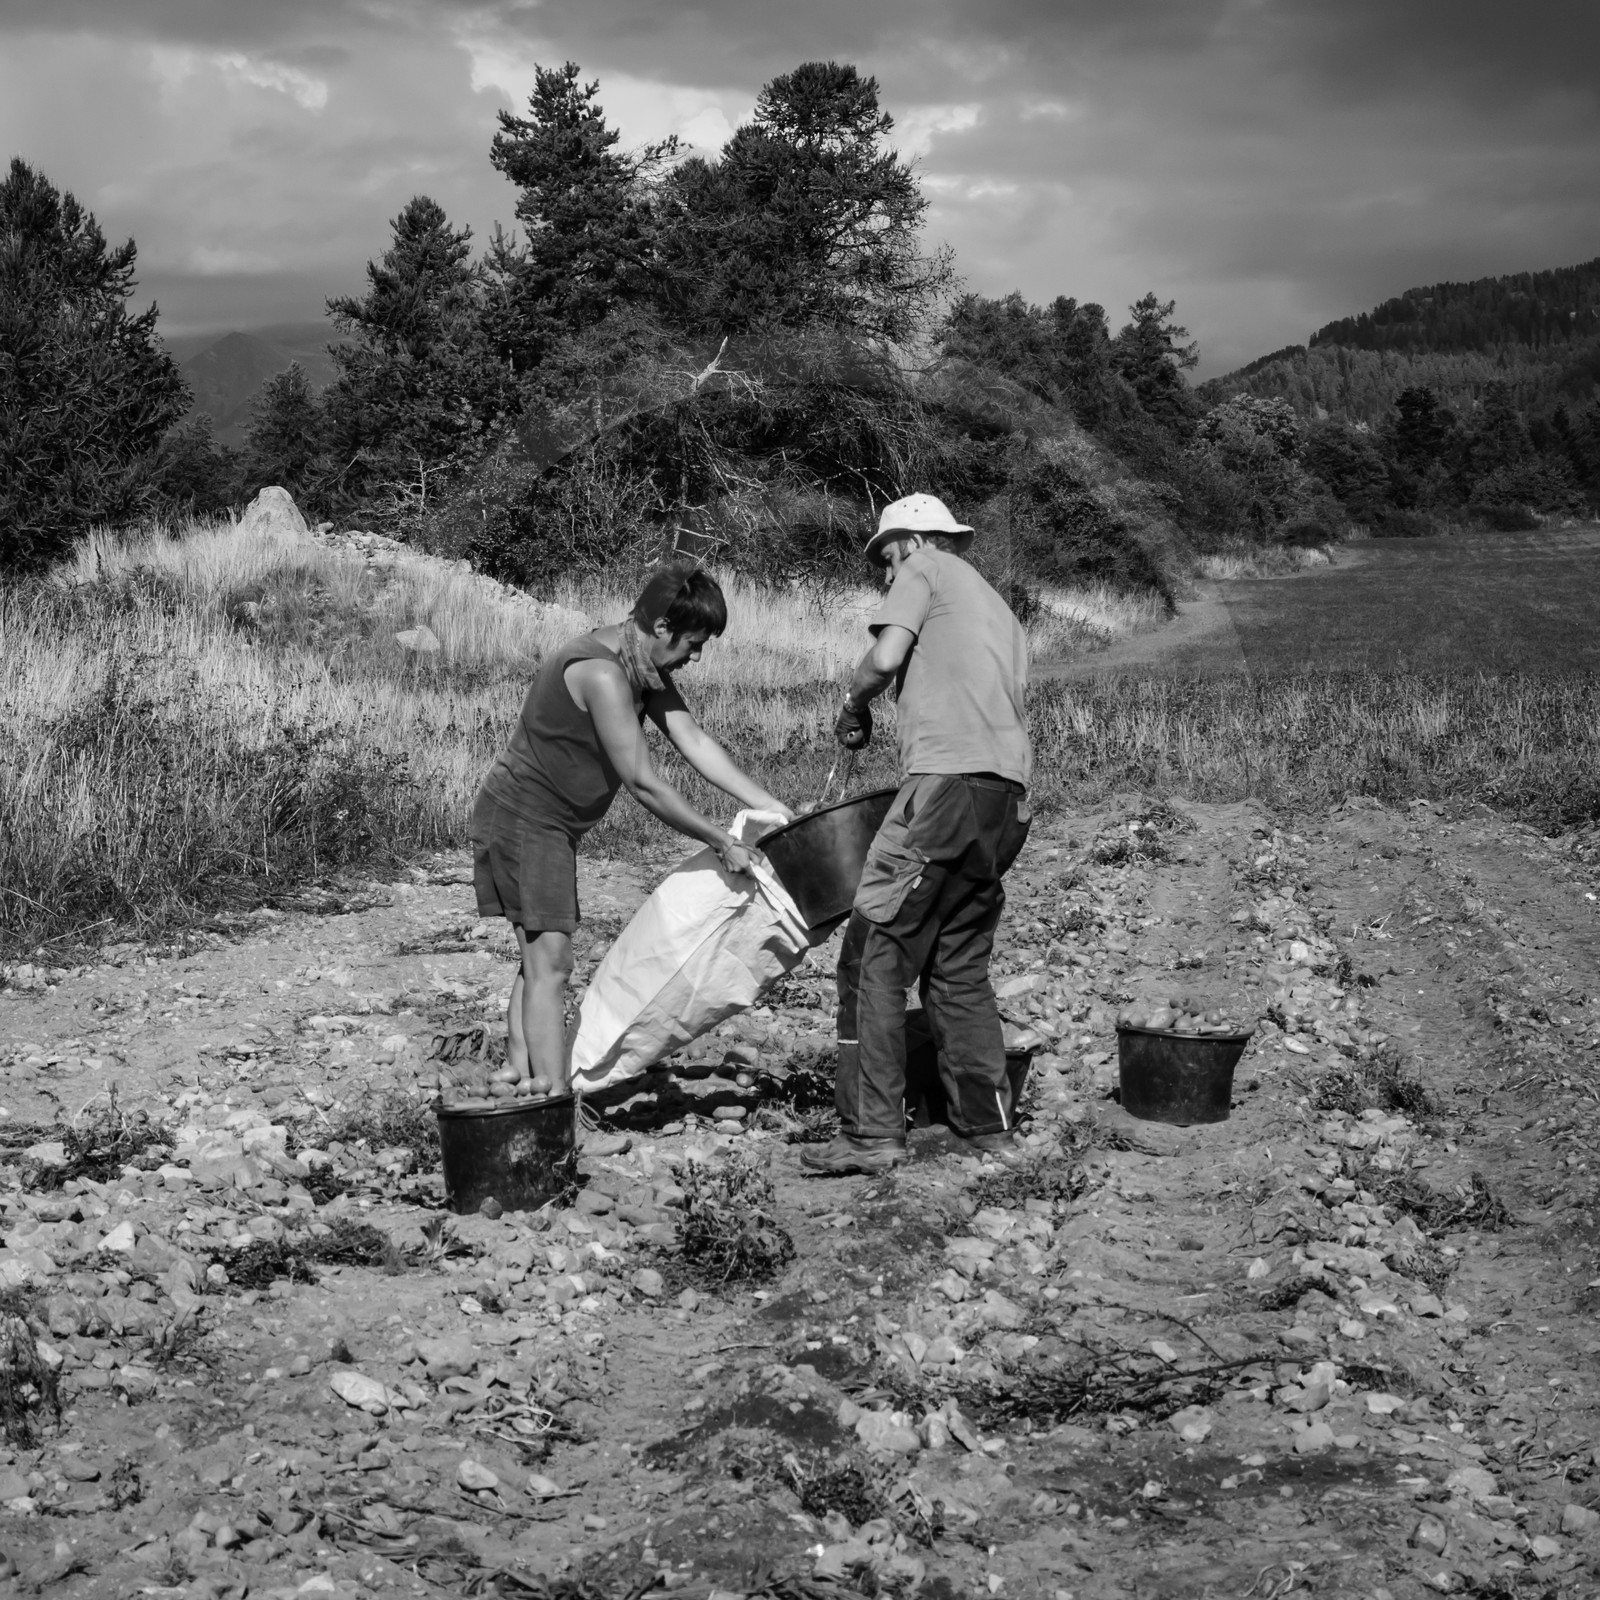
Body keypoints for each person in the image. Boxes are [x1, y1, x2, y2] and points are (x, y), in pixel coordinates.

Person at [470, 563, 794, 1098]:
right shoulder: (601, 674)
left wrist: (771, 805)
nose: (696, 657)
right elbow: (643, 782)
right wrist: (721, 840)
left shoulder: (641, 668)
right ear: (661, 626)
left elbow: (693, 740)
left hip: (549, 825)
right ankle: (551, 1096)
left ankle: (519, 1067)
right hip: (526, 818)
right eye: (693, 642)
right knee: (551, 959)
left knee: (539, 951)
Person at [801, 494, 1032, 1175]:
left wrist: (852, 700)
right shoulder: (997, 607)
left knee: (873, 954)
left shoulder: (922, 567)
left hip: (944, 787)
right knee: (958, 964)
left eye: (883, 558)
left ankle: (871, 1133)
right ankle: (985, 1126)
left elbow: (885, 653)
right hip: (1007, 798)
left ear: (907, 541)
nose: (882, 572)